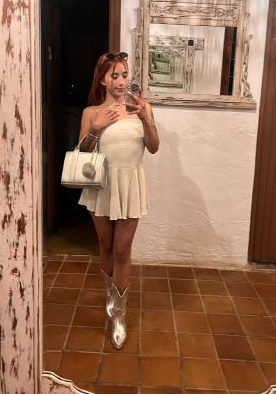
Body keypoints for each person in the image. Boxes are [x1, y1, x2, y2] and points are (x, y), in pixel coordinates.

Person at [77, 52, 159, 349]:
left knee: (123, 250)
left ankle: (119, 314)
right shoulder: (91, 112)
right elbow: (82, 153)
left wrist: (145, 119)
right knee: (107, 247)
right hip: (101, 185)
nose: (121, 81)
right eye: (115, 76)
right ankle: (111, 296)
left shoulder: (142, 108)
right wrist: (96, 129)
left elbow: (154, 147)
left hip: (130, 185)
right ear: (102, 80)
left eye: (125, 75)